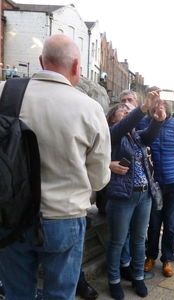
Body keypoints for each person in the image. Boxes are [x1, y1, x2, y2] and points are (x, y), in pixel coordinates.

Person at [0, 34, 111, 299]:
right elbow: (99, 180)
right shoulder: (90, 109)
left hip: (9, 213)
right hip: (63, 219)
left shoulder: (5, 92)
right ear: (76, 68)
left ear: (41, 61)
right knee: (60, 294)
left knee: (16, 294)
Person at [105, 92, 166, 299]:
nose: (127, 112)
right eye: (123, 111)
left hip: (144, 195)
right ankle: (113, 281)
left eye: (129, 110)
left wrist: (158, 119)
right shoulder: (113, 134)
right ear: (113, 118)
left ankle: (138, 277)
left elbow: (149, 135)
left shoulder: (136, 136)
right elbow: (124, 125)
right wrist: (141, 109)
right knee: (118, 241)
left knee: (140, 240)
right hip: (123, 197)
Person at [137, 99, 174, 278]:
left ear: (166, 106)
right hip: (153, 182)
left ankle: (167, 259)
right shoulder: (143, 123)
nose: (157, 106)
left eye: (160, 103)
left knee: (170, 223)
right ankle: (151, 256)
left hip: (173, 182)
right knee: (153, 223)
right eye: (154, 103)